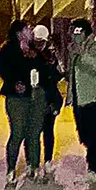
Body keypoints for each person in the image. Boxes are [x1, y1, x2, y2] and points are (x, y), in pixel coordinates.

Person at [0, 20, 47, 186]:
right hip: (16, 98)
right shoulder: (8, 50)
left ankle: (34, 166)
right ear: (19, 32)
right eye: (27, 28)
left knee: (34, 133)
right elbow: (3, 70)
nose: (30, 30)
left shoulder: (34, 50)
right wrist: (14, 83)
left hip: (35, 98)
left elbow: (43, 70)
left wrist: (37, 57)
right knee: (18, 133)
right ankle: (11, 169)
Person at [66, 18, 96, 185]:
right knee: (87, 135)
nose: (71, 35)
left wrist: (82, 53)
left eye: (74, 31)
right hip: (82, 100)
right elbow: (73, 75)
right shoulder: (74, 49)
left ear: (82, 31)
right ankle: (93, 167)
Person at [24, 24, 64, 180]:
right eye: (37, 42)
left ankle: (47, 160)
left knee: (48, 130)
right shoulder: (28, 56)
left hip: (49, 99)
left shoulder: (51, 56)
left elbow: (57, 76)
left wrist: (53, 72)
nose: (40, 45)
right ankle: (31, 162)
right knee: (32, 132)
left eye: (42, 42)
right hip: (33, 100)